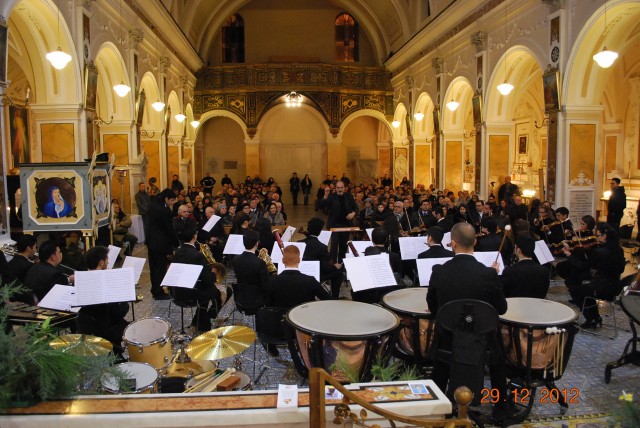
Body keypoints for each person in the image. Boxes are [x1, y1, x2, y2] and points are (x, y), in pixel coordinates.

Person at [426, 223, 508, 421]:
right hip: (481, 341)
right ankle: (501, 408)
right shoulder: (488, 274)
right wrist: (494, 277)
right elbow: (501, 308)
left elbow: (433, 307)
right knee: (499, 361)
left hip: (448, 340)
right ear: (475, 242)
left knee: (441, 363)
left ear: (453, 244)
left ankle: (436, 407)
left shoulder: (439, 272)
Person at [562, 222, 626, 328]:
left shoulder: (600, 251)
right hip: (615, 284)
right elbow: (621, 268)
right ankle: (595, 316)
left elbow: (583, 266)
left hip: (603, 287)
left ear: (604, 236)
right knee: (583, 287)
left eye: (598, 235)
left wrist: (569, 255)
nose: (596, 237)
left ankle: (592, 318)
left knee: (576, 291)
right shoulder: (619, 249)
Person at [76, 246, 130, 355]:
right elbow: (117, 313)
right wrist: (125, 303)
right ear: (101, 263)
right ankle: (118, 357)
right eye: (107, 259)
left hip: (84, 327)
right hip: (104, 330)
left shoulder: (80, 279)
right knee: (129, 327)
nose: (108, 261)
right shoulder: (105, 282)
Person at [172, 224, 222, 332]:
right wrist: (213, 273)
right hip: (192, 293)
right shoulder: (197, 255)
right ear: (195, 236)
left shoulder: (177, 253)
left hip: (177, 292)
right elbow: (207, 280)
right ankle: (207, 319)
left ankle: (197, 321)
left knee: (206, 292)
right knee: (218, 292)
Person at [266, 245, 330, 309]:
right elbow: (328, 299)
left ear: (283, 260)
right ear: (299, 260)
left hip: (279, 317)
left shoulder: (272, 281)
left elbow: (268, 304)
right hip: (303, 317)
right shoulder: (310, 281)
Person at [298, 217, 344, 299]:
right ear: (319, 232)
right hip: (316, 275)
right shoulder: (322, 247)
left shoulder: (299, 243)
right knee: (339, 273)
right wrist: (335, 266)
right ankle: (334, 298)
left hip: (300, 273)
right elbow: (325, 267)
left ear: (308, 228)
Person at [146, 189, 179, 299]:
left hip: (151, 242)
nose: (172, 203)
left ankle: (154, 288)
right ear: (166, 199)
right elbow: (169, 229)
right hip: (160, 243)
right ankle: (158, 292)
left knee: (153, 267)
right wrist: (177, 243)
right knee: (160, 268)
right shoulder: (164, 210)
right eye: (172, 200)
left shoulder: (152, 205)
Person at [319, 180, 358, 261]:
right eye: (338, 188)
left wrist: (353, 213)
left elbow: (356, 208)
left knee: (344, 245)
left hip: (346, 225)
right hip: (334, 225)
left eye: (341, 187)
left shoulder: (349, 196)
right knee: (334, 245)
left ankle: (342, 263)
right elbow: (322, 206)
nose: (340, 189)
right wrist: (325, 196)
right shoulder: (331, 196)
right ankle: (333, 263)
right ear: (335, 188)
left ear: (345, 188)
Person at [231, 230, 270, 305]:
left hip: (240, 298)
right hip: (257, 300)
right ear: (257, 243)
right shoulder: (260, 263)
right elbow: (265, 285)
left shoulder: (235, 259)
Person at [7, 235, 37, 304]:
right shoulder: (29, 266)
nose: (36, 250)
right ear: (29, 248)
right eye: (35, 247)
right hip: (24, 302)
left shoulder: (9, 263)